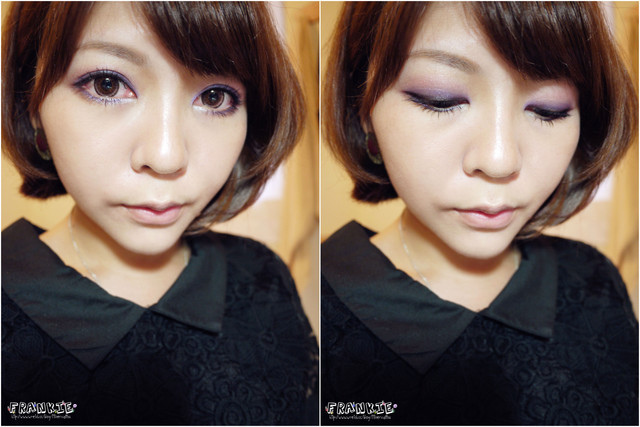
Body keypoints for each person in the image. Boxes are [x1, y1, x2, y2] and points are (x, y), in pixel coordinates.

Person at [321, 2, 638, 425]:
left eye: (549, 108)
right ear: (365, 112)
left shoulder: (593, 280)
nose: (499, 160)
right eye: (441, 100)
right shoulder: (312, 303)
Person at [2, 2, 317, 425]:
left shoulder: (263, 275)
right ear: (32, 102)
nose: (167, 157)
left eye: (214, 97)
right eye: (108, 85)